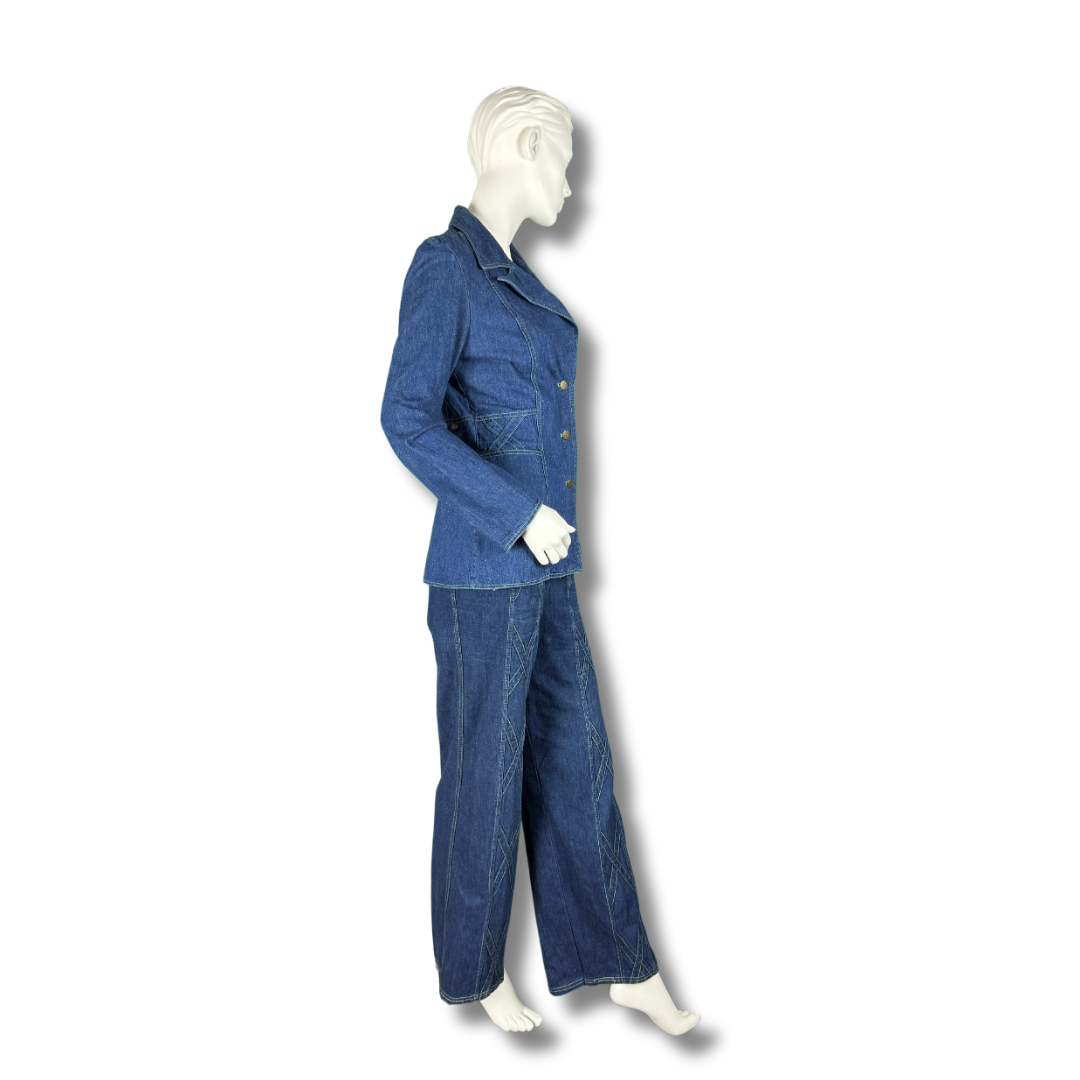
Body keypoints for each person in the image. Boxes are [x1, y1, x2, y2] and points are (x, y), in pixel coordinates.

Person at [380, 86, 700, 1036]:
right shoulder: (446, 267)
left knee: (577, 759)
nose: (569, 183)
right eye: (561, 159)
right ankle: (474, 972)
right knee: (485, 769)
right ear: (523, 146)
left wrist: (539, 528)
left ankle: (619, 962)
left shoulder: (513, 278)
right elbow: (406, 416)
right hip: (485, 572)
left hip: (546, 569)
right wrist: (518, 512)